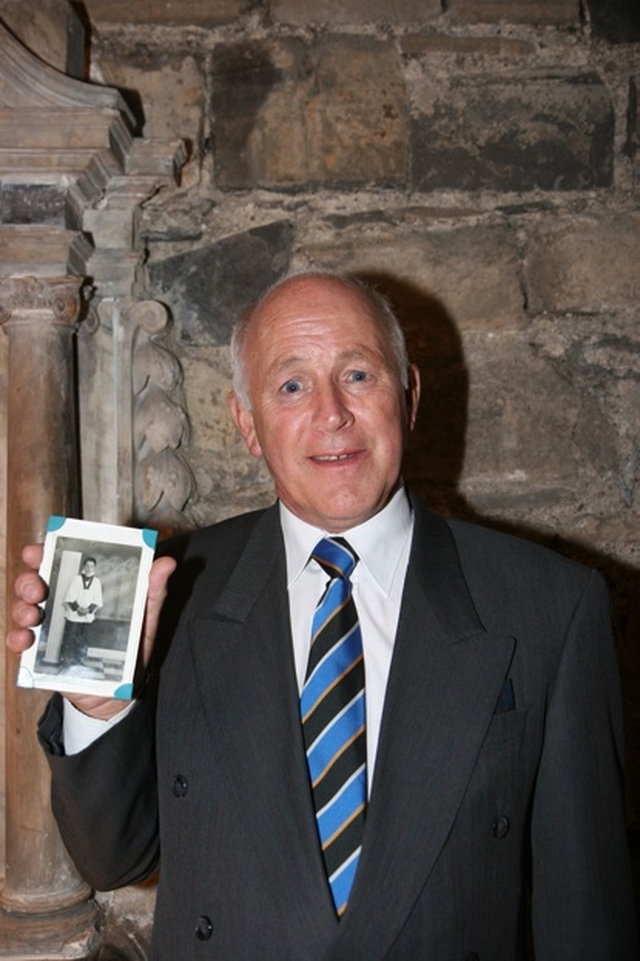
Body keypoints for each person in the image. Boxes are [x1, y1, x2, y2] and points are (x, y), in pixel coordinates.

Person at [7, 272, 638, 960]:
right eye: (292, 385)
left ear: (410, 395)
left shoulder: (552, 604)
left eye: (359, 374)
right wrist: (100, 708)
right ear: (247, 424)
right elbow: (113, 857)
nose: (332, 412)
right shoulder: (172, 590)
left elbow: (587, 919)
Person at [59, 556, 103, 668]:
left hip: (87, 616)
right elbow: (70, 595)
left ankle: (79, 660)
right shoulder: (77, 579)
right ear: (84, 566)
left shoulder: (97, 582)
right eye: (87, 566)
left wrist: (88, 610)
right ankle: (66, 660)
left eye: (91, 566)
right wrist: (78, 608)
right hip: (74, 614)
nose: (89, 568)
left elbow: (97, 599)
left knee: (83, 638)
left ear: (94, 567)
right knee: (70, 637)